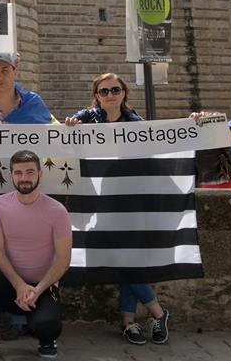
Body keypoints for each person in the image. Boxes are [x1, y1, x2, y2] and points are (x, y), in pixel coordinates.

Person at [64, 73, 170, 345]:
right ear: (96, 96)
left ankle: (130, 321)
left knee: (125, 260)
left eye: (115, 89)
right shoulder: (88, 118)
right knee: (122, 259)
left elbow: (157, 155)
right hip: (103, 201)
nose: (109, 94)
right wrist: (70, 125)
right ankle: (155, 313)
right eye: (103, 91)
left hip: (132, 202)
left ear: (123, 93)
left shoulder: (136, 124)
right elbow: (66, 129)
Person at [0, 150, 72, 360]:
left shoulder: (57, 210)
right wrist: (19, 285)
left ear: (40, 174)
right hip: (11, 284)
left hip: (46, 287)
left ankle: (46, 338)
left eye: (30, 172)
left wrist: (36, 289)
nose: (24, 178)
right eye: (19, 172)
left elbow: (63, 260)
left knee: (47, 327)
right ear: (11, 174)